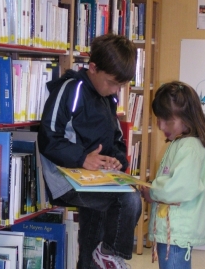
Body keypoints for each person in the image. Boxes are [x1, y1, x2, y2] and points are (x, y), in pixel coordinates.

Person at [38, 33, 142, 269]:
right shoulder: (70, 90)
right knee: (128, 199)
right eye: (112, 83)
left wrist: (117, 162)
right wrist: (83, 158)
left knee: (92, 241)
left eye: (121, 85)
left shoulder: (108, 99)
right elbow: (48, 137)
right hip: (67, 179)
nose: (116, 90)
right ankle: (111, 254)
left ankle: (100, 256)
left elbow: (115, 138)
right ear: (93, 68)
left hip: (97, 178)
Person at [140, 81, 205, 269]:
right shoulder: (181, 143)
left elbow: (179, 186)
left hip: (177, 232)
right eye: (159, 118)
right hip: (172, 230)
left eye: (168, 120)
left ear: (187, 118)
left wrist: (153, 191)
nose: (160, 125)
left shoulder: (190, 147)